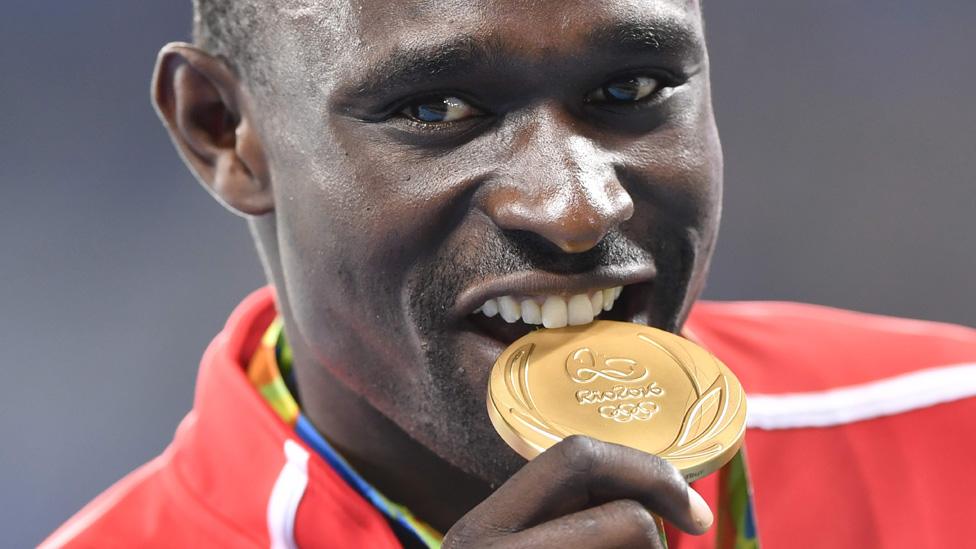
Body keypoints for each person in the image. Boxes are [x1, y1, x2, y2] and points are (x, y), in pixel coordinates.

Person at [44, 0, 976, 547]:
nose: (578, 210)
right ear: (223, 131)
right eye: (436, 107)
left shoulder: (958, 427)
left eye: (632, 90)